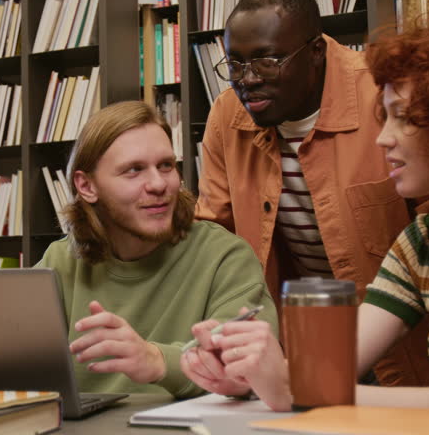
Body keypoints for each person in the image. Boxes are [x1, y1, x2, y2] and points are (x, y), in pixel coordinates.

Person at [184, 16, 429, 429]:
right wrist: (246, 374)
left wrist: (298, 388)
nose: (383, 138)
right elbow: (331, 369)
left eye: (403, 116)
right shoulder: (424, 241)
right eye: (384, 116)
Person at [194, 0, 429, 386]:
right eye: (234, 64)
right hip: (296, 337)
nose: (247, 80)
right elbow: (215, 235)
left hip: (400, 338)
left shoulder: (385, 96)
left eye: (267, 61)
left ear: (316, 52)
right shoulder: (226, 116)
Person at [36, 100, 279, 403]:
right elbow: (10, 365)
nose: (158, 184)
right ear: (87, 186)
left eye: (166, 165)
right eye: (134, 170)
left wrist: (155, 361)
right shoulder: (58, 262)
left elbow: (250, 372)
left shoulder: (225, 257)